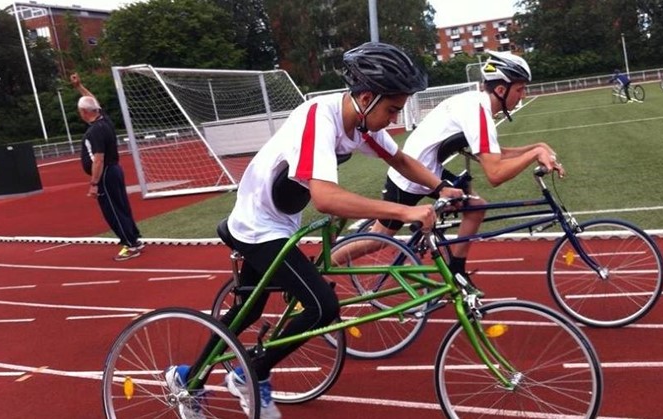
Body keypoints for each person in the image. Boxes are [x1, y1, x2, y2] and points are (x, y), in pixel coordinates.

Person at [163, 42, 462, 419]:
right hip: (256, 225)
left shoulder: (361, 124)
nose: (394, 119)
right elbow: (324, 196)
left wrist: (441, 188)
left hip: (280, 223)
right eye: (392, 110)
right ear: (367, 98)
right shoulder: (319, 117)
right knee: (322, 305)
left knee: (249, 308)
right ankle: (249, 374)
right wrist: (405, 209)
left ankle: (188, 379)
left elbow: (400, 158)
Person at [333, 51, 563, 285]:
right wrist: (534, 153)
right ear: (502, 90)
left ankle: (455, 269)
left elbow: (493, 153)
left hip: (428, 169)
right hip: (412, 177)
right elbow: (495, 173)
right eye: (520, 89)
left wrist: (537, 147)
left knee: (474, 206)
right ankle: (322, 268)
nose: (522, 96)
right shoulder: (478, 111)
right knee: (377, 240)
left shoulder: (476, 104)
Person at [71, 73, 143, 261]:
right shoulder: (105, 121)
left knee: (112, 210)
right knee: (121, 206)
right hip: (115, 171)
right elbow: (94, 101)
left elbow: (98, 159)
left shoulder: (95, 130)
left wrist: (94, 183)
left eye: (80, 111)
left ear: (85, 112)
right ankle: (134, 238)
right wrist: (79, 87)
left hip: (105, 174)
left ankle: (130, 244)